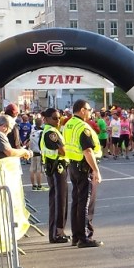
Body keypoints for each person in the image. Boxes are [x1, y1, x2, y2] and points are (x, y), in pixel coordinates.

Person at [63, 100, 103, 248]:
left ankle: (76, 235)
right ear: (82, 110)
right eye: (89, 109)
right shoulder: (83, 127)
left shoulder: (68, 124)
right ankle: (84, 237)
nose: (91, 112)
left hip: (73, 165)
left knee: (77, 201)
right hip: (83, 167)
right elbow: (88, 151)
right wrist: (96, 170)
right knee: (85, 202)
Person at [40, 108, 70, 243]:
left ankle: (58, 232)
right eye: (54, 118)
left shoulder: (52, 130)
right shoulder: (51, 132)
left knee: (59, 200)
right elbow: (62, 151)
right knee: (59, 201)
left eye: (59, 117)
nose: (58, 120)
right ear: (46, 119)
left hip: (56, 167)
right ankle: (57, 233)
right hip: (56, 168)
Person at [29, 116, 47, 191]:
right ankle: (39, 185)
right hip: (39, 152)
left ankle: (33, 185)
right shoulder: (42, 132)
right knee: (39, 170)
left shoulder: (32, 131)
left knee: (32, 169)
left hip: (33, 151)